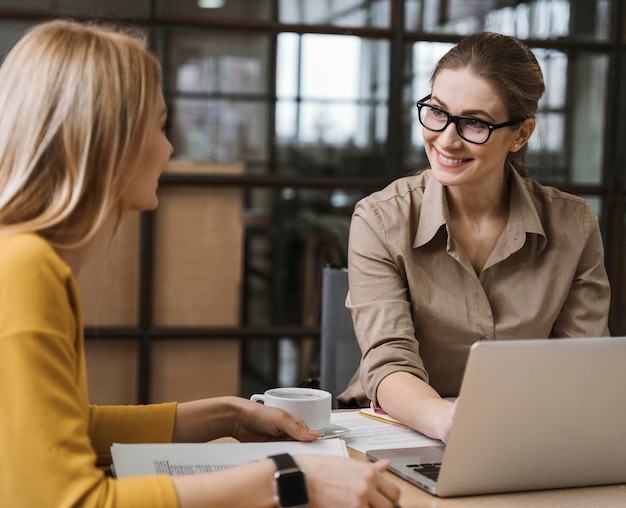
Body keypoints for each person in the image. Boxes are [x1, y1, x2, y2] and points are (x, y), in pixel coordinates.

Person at [0, 20, 401, 508]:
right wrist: (290, 479)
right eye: (159, 125)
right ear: (109, 140)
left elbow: (72, 429)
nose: (169, 148)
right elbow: (66, 501)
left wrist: (226, 416)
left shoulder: (23, 257)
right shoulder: (24, 270)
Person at [338, 32, 611, 442]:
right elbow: (390, 362)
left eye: (475, 123)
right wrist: (456, 425)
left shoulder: (573, 224)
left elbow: (581, 367)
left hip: (524, 435)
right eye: (437, 112)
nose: (446, 139)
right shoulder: (380, 219)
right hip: (399, 429)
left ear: (520, 134)